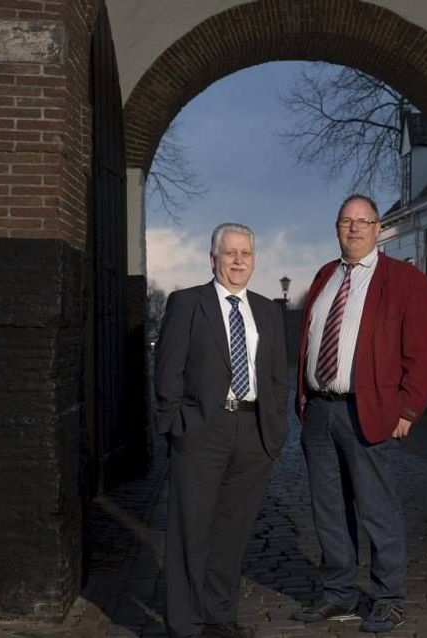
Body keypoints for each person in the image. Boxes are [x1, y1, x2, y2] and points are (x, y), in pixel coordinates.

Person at [290, 195, 427, 633]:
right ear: (337, 228)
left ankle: (389, 598)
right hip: (320, 412)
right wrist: (302, 397)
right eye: (346, 221)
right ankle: (339, 594)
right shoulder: (323, 277)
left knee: (378, 510)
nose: (354, 228)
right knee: (329, 510)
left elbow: (423, 352)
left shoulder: (405, 281)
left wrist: (409, 407)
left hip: (368, 411)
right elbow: (310, 338)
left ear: (378, 228)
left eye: (363, 221)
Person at [154, 223, 288, 638]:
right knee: (190, 532)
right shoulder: (187, 303)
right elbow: (167, 374)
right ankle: (185, 624)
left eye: (245, 253)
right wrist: (180, 426)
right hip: (201, 432)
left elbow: (277, 377)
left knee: (232, 533)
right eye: (229, 253)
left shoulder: (266, 310)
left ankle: (218, 616)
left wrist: (275, 430)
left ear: (254, 259)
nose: (237, 261)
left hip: (252, 433)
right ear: (213, 259)